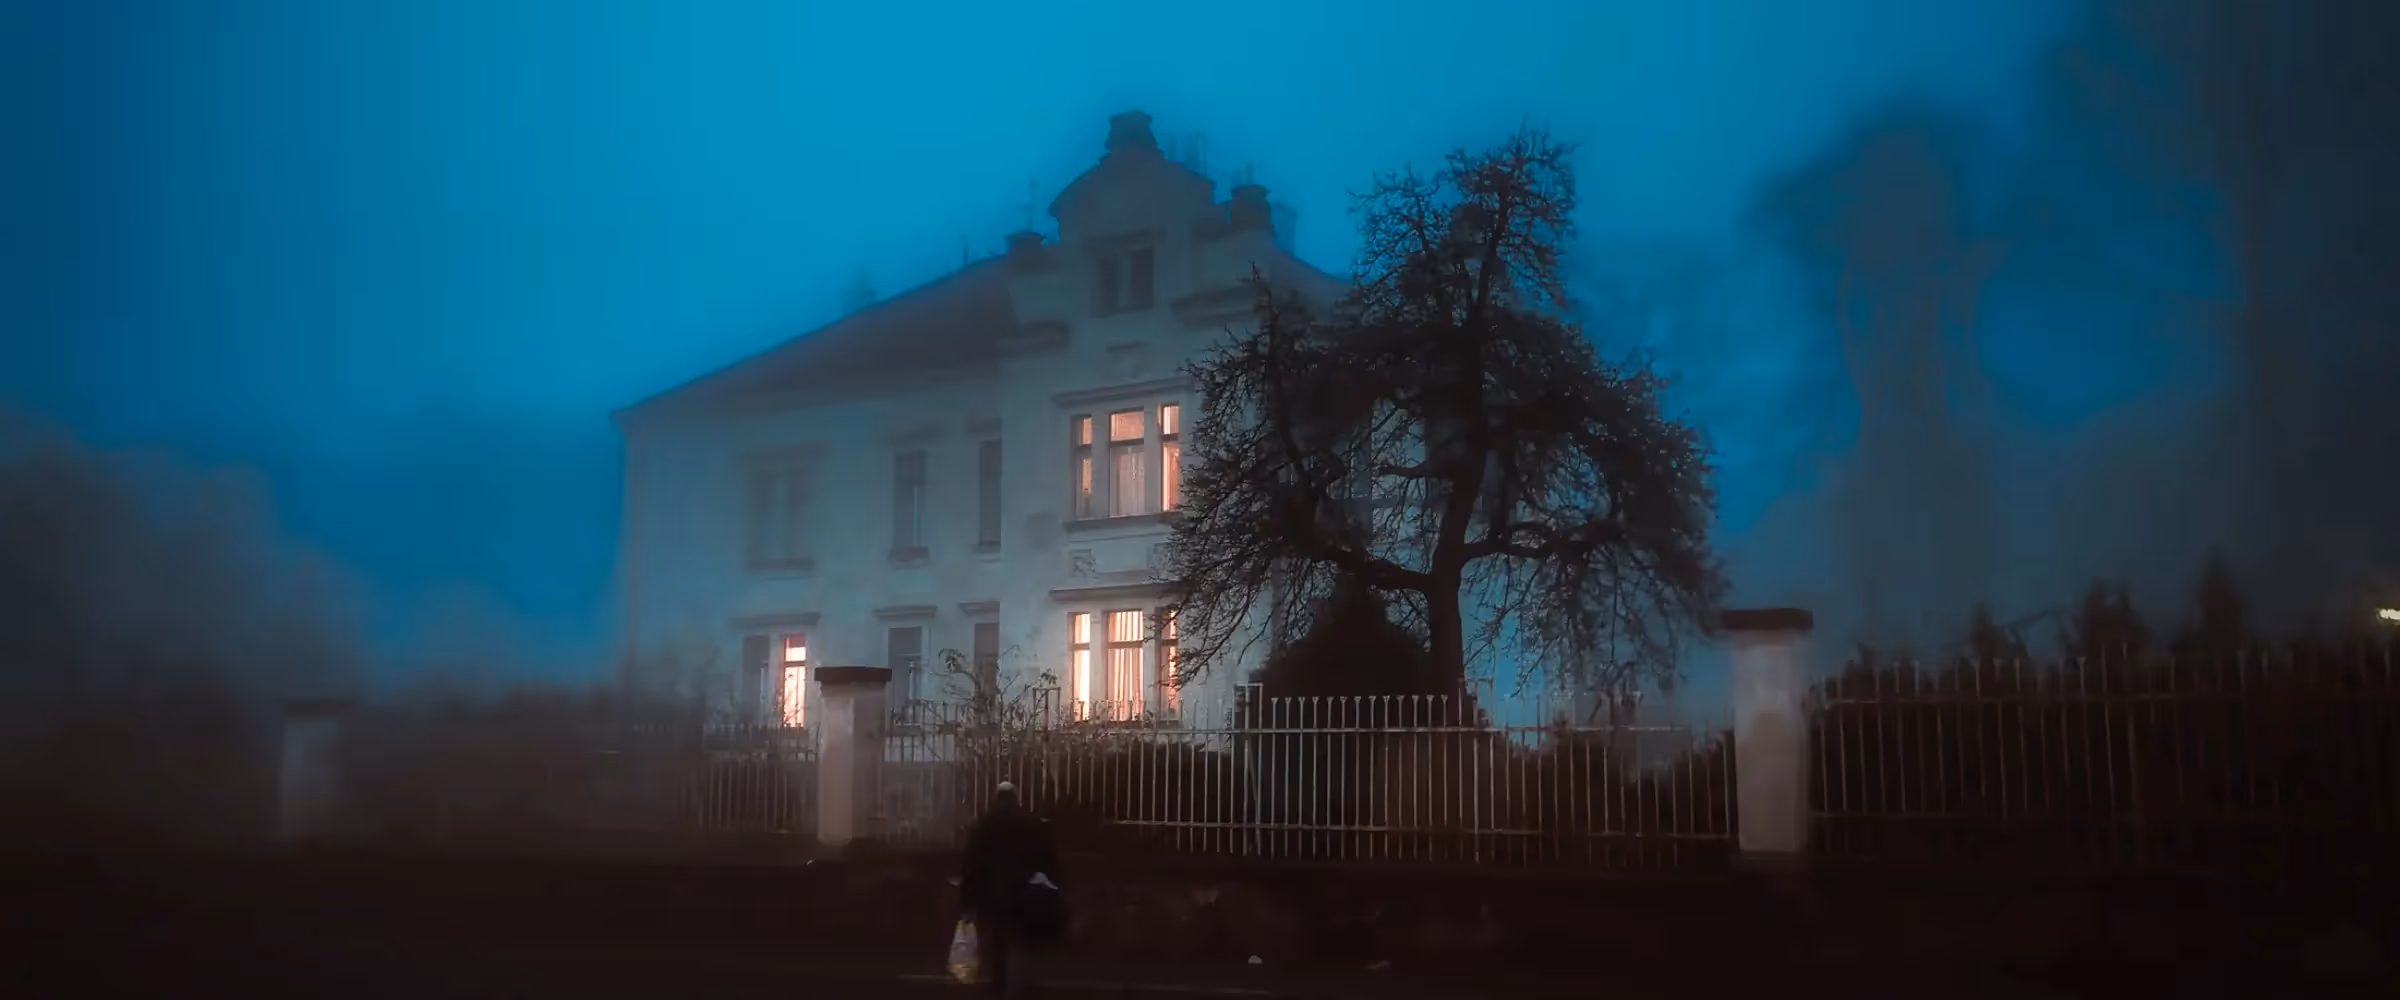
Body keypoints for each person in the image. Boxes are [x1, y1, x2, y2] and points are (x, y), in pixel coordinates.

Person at [958, 780, 1063, 998]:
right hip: (1021, 893)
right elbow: (1045, 858)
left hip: (991, 894)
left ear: (996, 797)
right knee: (1018, 943)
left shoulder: (983, 824)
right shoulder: (1029, 823)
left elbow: (970, 864)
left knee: (997, 943)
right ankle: (1013, 990)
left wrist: (968, 900)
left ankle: (999, 985)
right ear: (1015, 798)